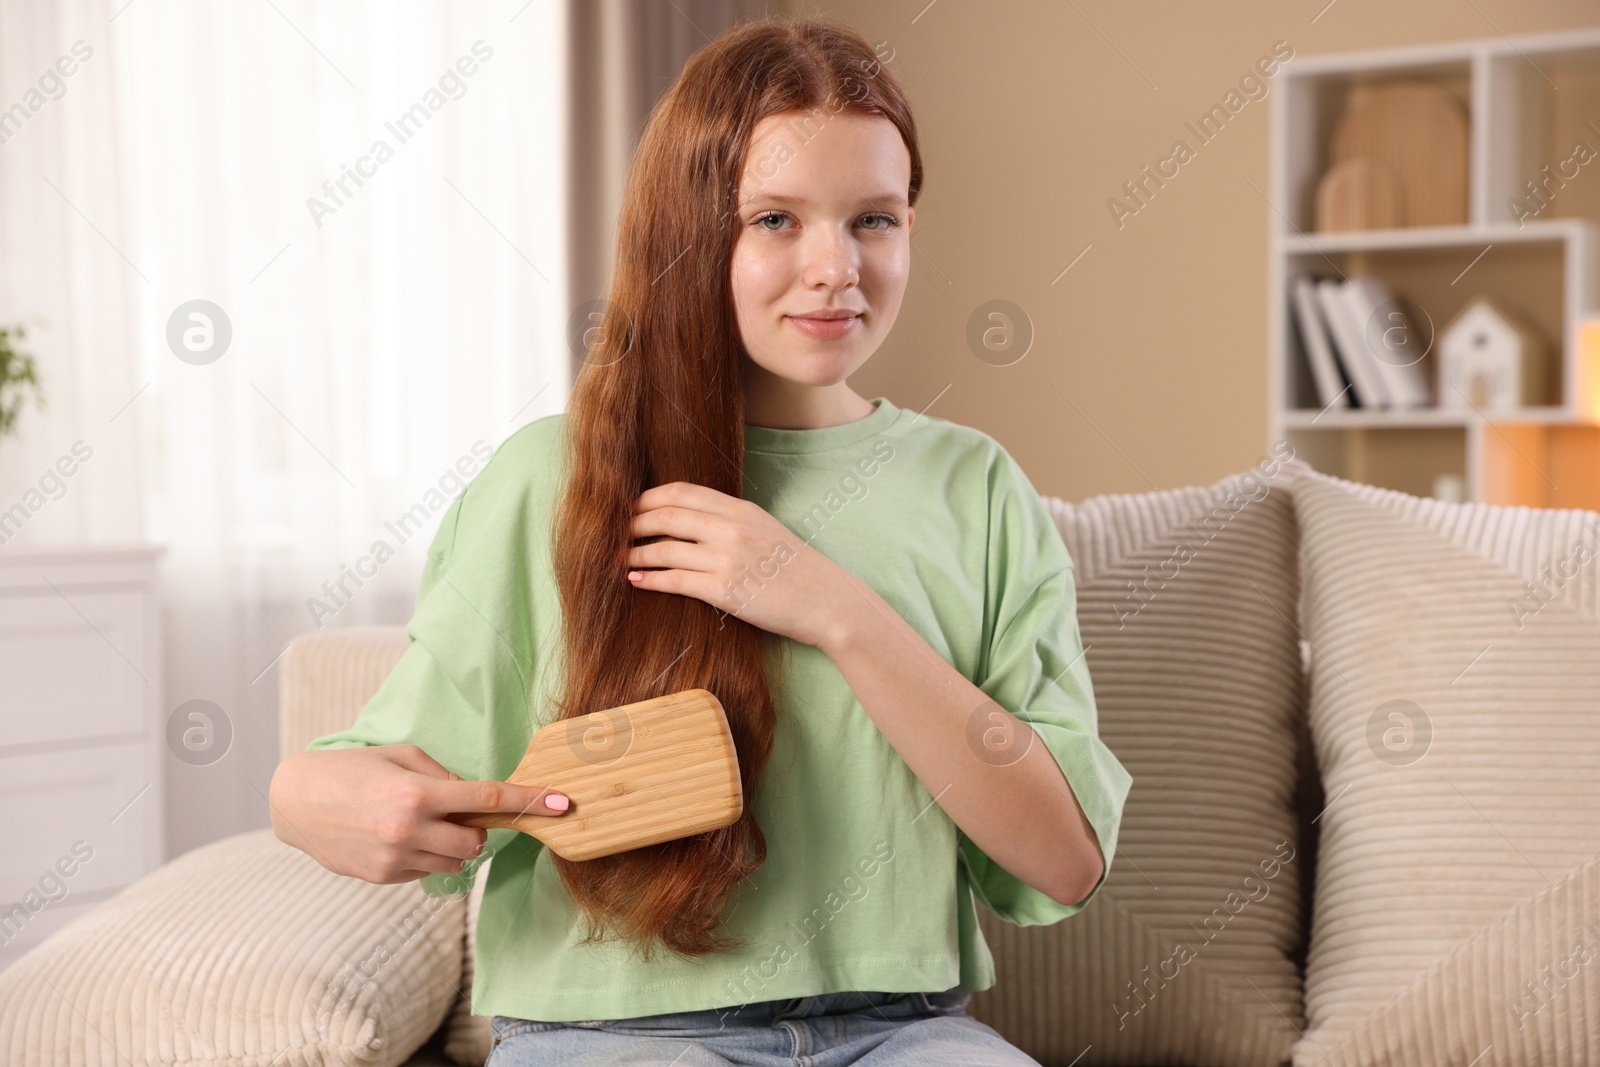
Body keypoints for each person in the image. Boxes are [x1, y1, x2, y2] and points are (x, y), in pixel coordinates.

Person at [269, 14, 1131, 1066]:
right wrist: (300, 795)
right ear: (688, 228)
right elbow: (386, 773)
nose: (835, 268)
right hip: (610, 1031)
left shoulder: (976, 486)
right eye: (774, 219)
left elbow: (1061, 858)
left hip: (905, 1030)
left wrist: (832, 609)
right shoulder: (554, 473)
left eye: (874, 219)